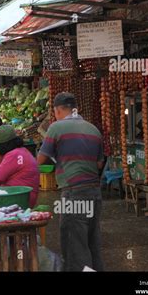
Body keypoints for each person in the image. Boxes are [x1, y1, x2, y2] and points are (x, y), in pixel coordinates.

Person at [37, 92, 105, 272]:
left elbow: (40, 160)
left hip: (74, 192)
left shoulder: (56, 127)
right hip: (94, 192)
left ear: (58, 110)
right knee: (92, 242)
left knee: (74, 244)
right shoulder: (93, 129)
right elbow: (99, 163)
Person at [0, 125, 39, 207]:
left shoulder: (13, 155)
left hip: (19, 198)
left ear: (1, 145)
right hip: (24, 195)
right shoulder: (21, 150)